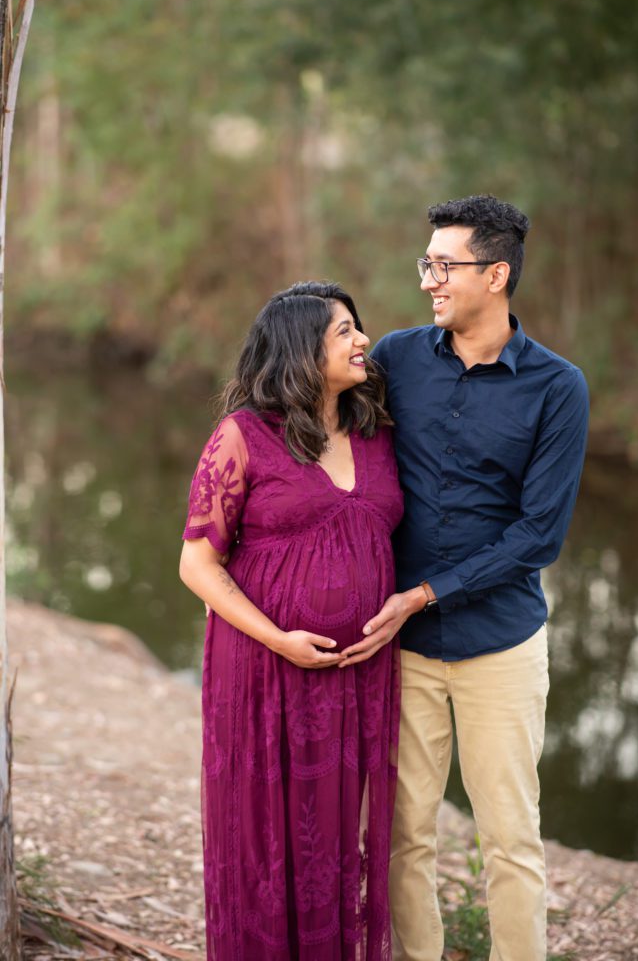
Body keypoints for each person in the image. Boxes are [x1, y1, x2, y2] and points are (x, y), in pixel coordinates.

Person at [339, 194, 590, 961]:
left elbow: (538, 536)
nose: (428, 281)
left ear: (496, 274)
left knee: (509, 839)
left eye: (443, 266)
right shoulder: (396, 360)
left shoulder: (556, 388)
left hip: (499, 647)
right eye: (426, 264)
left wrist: (422, 594)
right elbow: (324, 437)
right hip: (404, 649)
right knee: (400, 835)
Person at [179, 281, 404, 961]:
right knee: (264, 834)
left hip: (355, 676)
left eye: (357, 327)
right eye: (344, 331)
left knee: (333, 836)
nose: (362, 340)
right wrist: (279, 638)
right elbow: (197, 564)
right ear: (301, 349)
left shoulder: (376, 433)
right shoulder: (242, 436)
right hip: (263, 667)